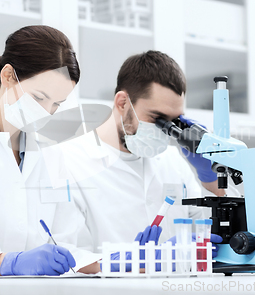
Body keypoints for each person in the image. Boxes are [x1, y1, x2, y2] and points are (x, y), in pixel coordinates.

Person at [0, 25, 162, 278]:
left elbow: (63, 248)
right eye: (39, 98)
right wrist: (9, 262)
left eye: (56, 104)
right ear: (8, 76)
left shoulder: (51, 155)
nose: (46, 111)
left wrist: (109, 263)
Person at [53, 51, 239, 272]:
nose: (165, 130)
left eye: (173, 121)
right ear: (122, 103)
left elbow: (219, 234)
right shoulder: (68, 161)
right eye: (156, 119)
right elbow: (66, 257)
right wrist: (130, 262)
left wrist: (211, 180)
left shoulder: (174, 162)